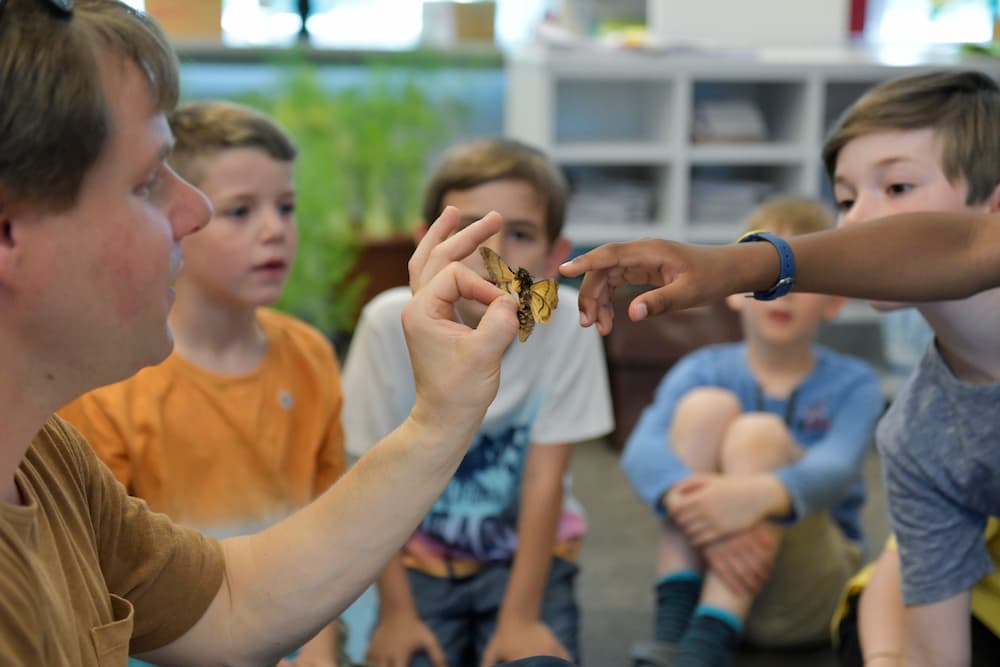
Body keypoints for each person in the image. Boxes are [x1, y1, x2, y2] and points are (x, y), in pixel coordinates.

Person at [0, 2, 571, 666]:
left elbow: (233, 601)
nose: (197, 209)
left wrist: (441, 417)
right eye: (148, 181)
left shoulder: (45, 454)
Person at [563, 70, 1000, 666]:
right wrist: (704, 500)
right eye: (845, 200)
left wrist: (741, 265)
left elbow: (964, 249)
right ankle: (687, 630)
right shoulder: (920, 436)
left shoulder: (855, 386)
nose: (856, 223)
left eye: (897, 186)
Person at [58, 99, 348, 666]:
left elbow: (329, 521)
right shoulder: (113, 380)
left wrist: (319, 654)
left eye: (285, 207)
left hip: (297, 625)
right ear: (178, 218)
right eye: (240, 212)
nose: (274, 231)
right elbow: (101, 577)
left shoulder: (311, 356)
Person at [342, 138, 614, 667]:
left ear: (557, 257)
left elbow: (545, 482)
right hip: (414, 565)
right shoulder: (385, 324)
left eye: (519, 233)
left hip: (529, 566)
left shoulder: (568, 330)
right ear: (426, 245)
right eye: (471, 230)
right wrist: (396, 614)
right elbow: (365, 485)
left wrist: (520, 619)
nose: (493, 254)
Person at [622, 198, 882, 667]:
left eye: (800, 282)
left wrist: (757, 495)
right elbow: (642, 450)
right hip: (707, 569)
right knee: (704, 407)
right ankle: (678, 632)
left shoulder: (856, 383)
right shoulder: (700, 369)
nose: (781, 294)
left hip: (807, 593)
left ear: (835, 300)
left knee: (757, 435)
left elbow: (838, 468)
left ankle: (704, 645)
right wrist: (694, 499)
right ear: (732, 289)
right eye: (764, 280)